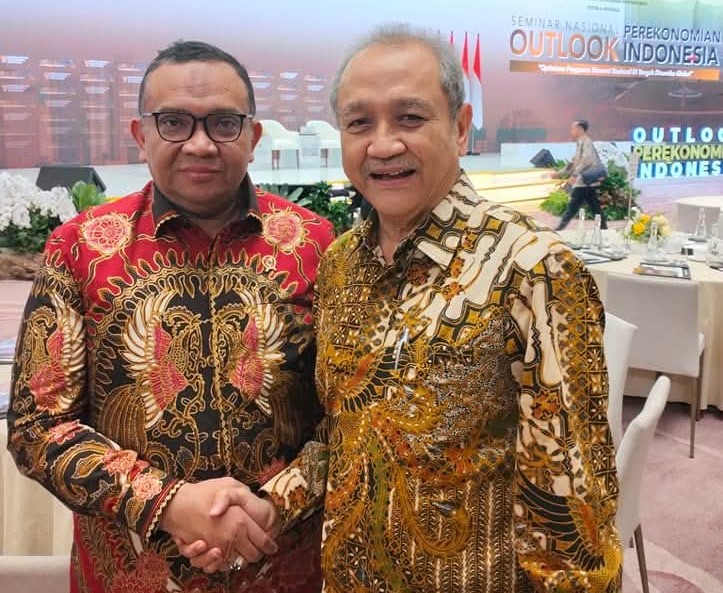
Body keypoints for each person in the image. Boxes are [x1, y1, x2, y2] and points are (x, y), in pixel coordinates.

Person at [181, 25, 623, 592]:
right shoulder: (342, 263)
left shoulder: (533, 268)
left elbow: (573, 503)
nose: (383, 145)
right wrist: (273, 504)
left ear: (459, 127)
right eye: (359, 123)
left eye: (410, 118)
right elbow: (346, 435)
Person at [7, 40, 335, 593]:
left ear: (253, 136)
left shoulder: (316, 245)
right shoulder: (81, 248)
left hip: (281, 567)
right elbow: (36, 427)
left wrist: (277, 503)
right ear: (141, 135)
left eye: (224, 123)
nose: (200, 144)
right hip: (129, 573)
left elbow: (349, 414)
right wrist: (168, 503)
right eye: (174, 122)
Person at [553, 119, 608, 230]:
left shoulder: (586, 142)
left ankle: (559, 229)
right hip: (586, 183)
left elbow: (586, 160)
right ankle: (604, 228)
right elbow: (573, 162)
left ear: (580, 129)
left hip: (584, 181)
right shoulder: (580, 143)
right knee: (594, 206)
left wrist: (574, 175)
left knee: (573, 207)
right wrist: (559, 173)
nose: (571, 131)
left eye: (573, 128)